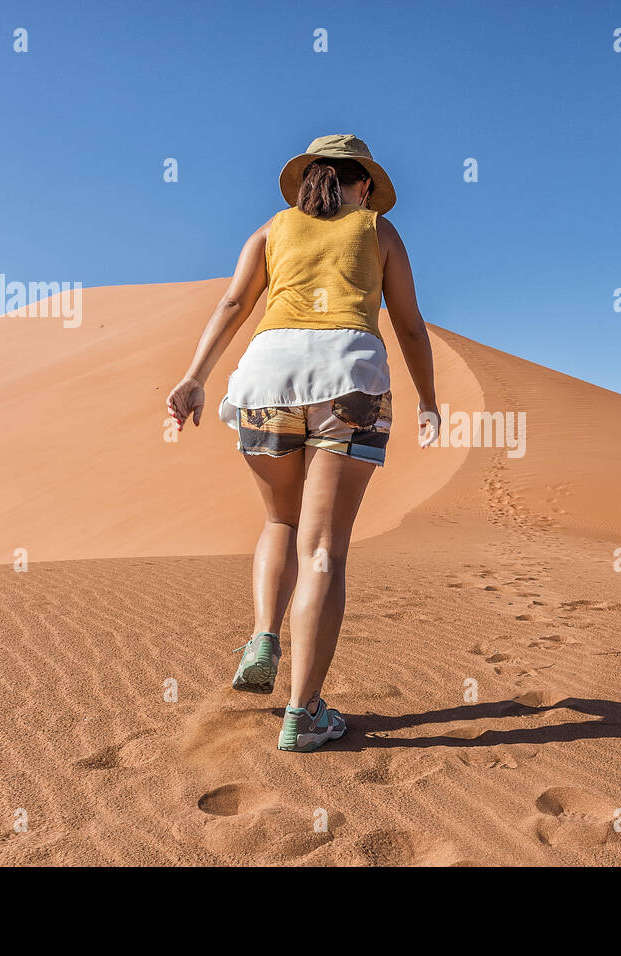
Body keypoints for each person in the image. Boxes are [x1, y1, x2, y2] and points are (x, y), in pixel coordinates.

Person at [167, 134, 440, 753]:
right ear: (364, 183)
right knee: (324, 550)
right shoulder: (377, 231)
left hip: (266, 376)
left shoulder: (272, 229)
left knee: (279, 522)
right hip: (351, 379)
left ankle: (264, 635)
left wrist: (194, 377)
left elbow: (235, 300)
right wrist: (427, 400)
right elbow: (410, 325)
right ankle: (302, 712)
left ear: (311, 181)